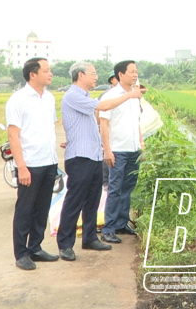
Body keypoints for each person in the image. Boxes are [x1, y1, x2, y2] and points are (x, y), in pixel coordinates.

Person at [56, 62, 142, 261]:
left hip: (93, 154)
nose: (96, 77)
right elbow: (102, 107)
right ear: (80, 75)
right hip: (80, 156)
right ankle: (65, 244)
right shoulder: (73, 95)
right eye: (93, 74)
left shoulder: (85, 96)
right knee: (74, 201)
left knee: (92, 200)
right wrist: (129, 95)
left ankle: (89, 237)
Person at [6, 58, 60, 270]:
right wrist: (21, 166)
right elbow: (13, 136)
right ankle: (21, 253)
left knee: (41, 208)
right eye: (46, 70)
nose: (51, 74)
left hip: (49, 161)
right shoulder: (17, 100)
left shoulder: (49, 98)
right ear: (33, 75)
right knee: (25, 209)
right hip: (30, 164)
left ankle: (35, 247)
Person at [99, 60, 143, 244]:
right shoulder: (110, 96)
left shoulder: (135, 95)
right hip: (117, 151)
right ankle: (108, 229)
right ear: (121, 74)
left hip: (133, 150)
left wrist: (141, 144)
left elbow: (137, 123)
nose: (135, 74)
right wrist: (107, 150)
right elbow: (104, 124)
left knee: (128, 188)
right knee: (115, 189)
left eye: (136, 71)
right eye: (131, 71)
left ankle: (121, 223)